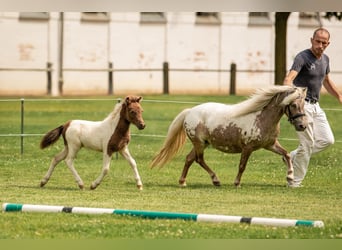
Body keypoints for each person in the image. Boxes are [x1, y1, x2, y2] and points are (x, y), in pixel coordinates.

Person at [283, 27, 342, 187]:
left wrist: (339, 96)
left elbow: (327, 81)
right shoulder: (302, 57)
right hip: (302, 107)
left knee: (327, 140)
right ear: (311, 40)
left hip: (316, 106)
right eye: (318, 41)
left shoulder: (325, 60)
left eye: (324, 43)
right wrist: (288, 90)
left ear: (328, 44)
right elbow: (290, 77)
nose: (320, 45)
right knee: (307, 144)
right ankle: (294, 182)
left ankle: (293, 156)